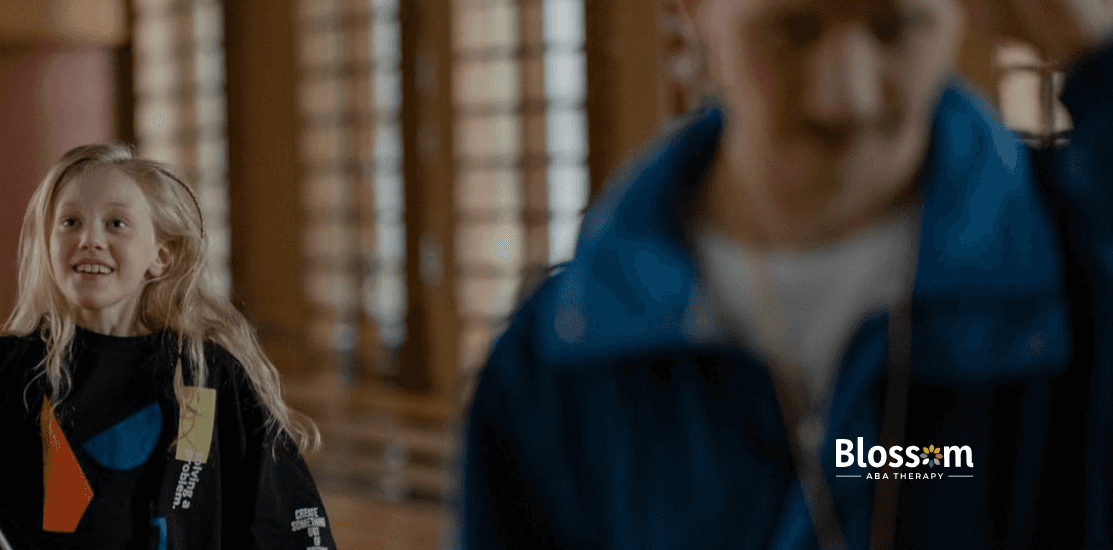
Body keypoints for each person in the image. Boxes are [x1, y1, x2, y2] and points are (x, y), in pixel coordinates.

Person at [456, 0, 1112, 548]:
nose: (845, 97)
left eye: (894, 29)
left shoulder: (1084, 283)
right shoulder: (557, 371)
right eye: (792, 30)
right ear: (694, 10)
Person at [0, 144, 338, 549]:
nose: (90, 239)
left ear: (159, 255)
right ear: (48, 247)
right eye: (70, 222)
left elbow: (286, 526)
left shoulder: (205, 376)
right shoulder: (3, 371)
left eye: (116, 223)